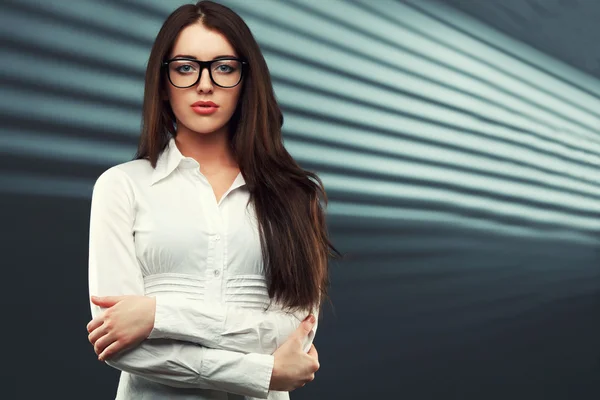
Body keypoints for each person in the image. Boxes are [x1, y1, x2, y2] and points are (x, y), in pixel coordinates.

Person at [85, 1, 338, 399]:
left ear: (245, 80)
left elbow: (293, 332)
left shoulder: (296, 196)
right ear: (163, 83)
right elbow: (118, 343)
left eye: (224, 67)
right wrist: (262, 374)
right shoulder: (121, 187)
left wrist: (157, 315)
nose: (205, 84)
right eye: (186, 67)